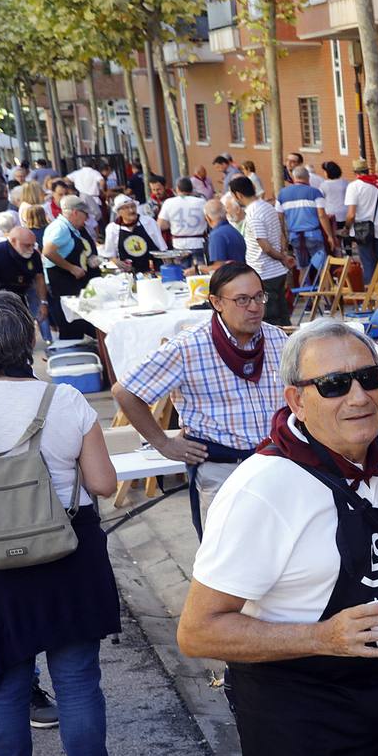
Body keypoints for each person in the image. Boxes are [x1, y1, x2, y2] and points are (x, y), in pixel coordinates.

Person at [176, 320, 378, 756]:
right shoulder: (263, 488)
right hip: (304, 727)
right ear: (296, 400)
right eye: (334, 384)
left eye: (369, 378)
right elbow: (197, 632)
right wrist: (322, 637)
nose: (358, 396)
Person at [0, 292, 132, 756]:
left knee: (1, 684)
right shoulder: (65, 401)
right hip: (67, 552)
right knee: (76, 681)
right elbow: (102, 485)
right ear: (29, 342)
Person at [114, 262, 289, 535]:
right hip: (222, 471)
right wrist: (162, 443)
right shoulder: (189, 346)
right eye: (242, 299)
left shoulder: (278, 339)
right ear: (216, 302)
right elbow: (125, 391)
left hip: (278, 465)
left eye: (259, 296)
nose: (254, 307)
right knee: (231, 557)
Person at [232, 175, 294, 326]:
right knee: (283, 315)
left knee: (270, 319)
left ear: (238, 195)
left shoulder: (253, 214)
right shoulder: (268, 207)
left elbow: (265, 246)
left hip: (264, 272)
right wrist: (283, 257)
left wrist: (282, 258)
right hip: (277, 272)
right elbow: (281, 235)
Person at [39, 195, 96, 340]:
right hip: (61, 286)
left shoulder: (70, 228)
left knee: (78, 327)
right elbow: (48, 251)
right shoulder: (61, 228)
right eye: (85, 215)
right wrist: (72, 268)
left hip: (71, 286)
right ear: (75, 212)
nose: (86, 219)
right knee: (70, 329)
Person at [276, 167, 332, 289]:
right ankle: (328, 303)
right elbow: (322, 215)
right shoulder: (315, 193)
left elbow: (279, 218)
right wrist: (330, 236)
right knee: (323, 269)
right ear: (308, 178)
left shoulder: (282, 194)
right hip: (314, 236)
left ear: (294, 177)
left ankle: (308, 305)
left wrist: (283, 238)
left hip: (295, 237)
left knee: (303, 269)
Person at [0, 222, 43, 329]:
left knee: (25, 328)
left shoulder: (34, 255)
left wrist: (43, 302)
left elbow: (39, 277)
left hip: (22, 295)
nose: (31, 249)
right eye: (27, 245)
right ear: (13, 241)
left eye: (33, 245)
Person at [343, 160, 378, 283]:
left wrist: (346, 228)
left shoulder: (354, 187)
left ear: (355, 172)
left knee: (368, 264)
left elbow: (351, 215)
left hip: (362, 230)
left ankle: (370, 297)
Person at [100, 195, 167, 272]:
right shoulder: (112, 228)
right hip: (128, 273)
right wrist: (118, 262)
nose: (131, 210)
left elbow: (162, 249)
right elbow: (110, 255)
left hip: (154, 270)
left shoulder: (149, 222)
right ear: (119, 212)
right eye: (126, 208)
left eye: (133, 206)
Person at [159, 176, 209, 262]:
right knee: (200, 271)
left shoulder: (169, 202)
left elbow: (161, 225)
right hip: (198, 242)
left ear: (177, 189)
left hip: (179, 244)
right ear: (192, 189)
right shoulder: (202, 202)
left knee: (182, 272)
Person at [204, 196, 247, 269]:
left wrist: (198, 268)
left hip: (231, 276)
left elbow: (219, 267)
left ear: (208, 218)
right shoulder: (233, 230)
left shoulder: (217, 235)